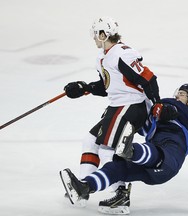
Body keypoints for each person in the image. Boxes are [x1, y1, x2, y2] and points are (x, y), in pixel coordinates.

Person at [60, 83, 188, 214]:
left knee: (151, 152)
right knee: (117, 167)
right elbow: (143, 118)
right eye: (178, 91)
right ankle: (85, 188)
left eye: (183, 94)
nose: (177, 95)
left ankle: (131, 151)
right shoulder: (161, 106)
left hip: (171, 154)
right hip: (154, 167)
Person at [62, 16, 160, 213]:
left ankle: (120, 196)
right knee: (90, 140)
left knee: (109, 149)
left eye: (95, 34)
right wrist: (85, 87)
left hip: (131, 106)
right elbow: (107, 87)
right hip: (118, 106)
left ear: (103, 34)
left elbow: (148, 79)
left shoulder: (123, 54)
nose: (93, 38)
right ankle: (82, 186)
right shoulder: (102, 56)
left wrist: (157, 104)